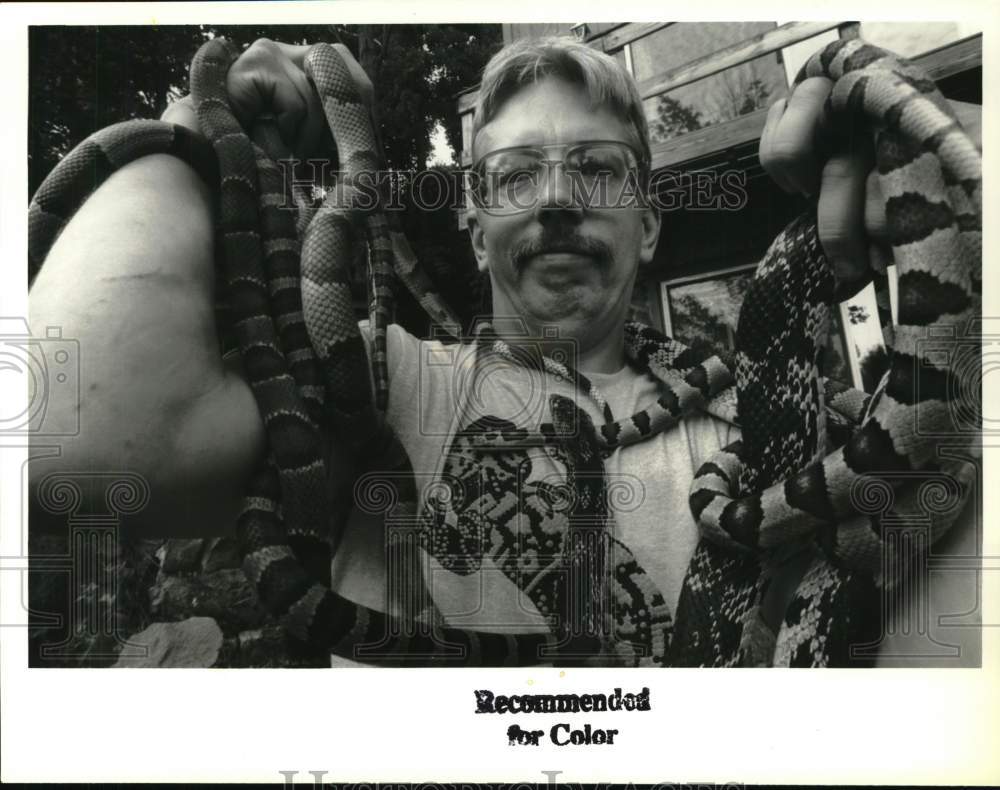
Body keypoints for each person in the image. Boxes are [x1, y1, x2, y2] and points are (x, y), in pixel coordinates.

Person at [28, 35, 979, 666]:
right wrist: (206, 119)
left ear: (651, 224)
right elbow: (77, 436)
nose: (559, 200)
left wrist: (873, 159)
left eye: (599, 170)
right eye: (517, 174)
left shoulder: (776, 420)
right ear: (477, 231)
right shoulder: (386, 385)